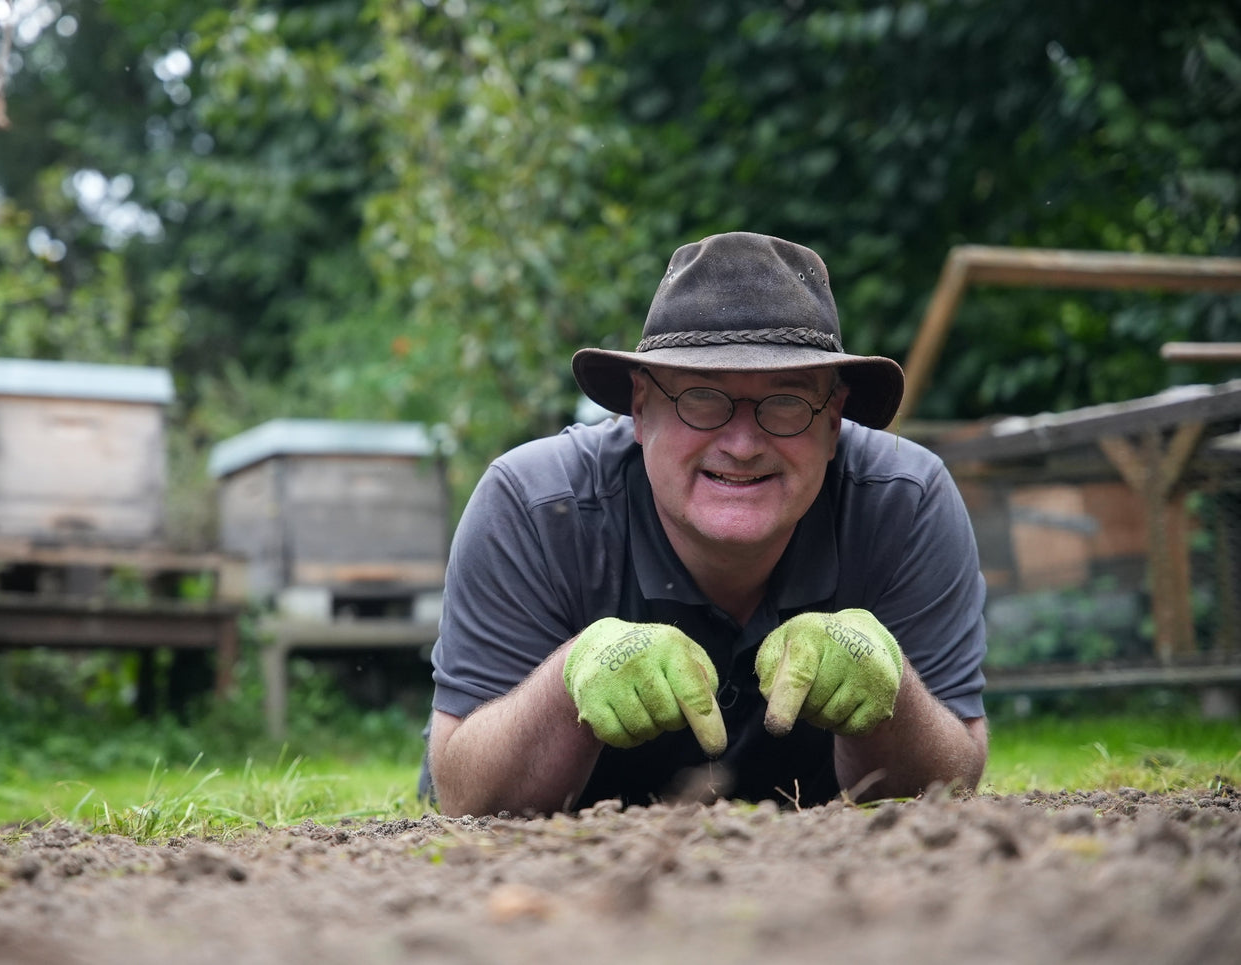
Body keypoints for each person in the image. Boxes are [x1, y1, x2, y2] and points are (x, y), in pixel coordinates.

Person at [421, 231, 988, 817]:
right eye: (702, 397)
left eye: (787, 401)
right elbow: (466, 792)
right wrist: (568, 681)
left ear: (834, 420)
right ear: (641, 409)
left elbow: (957, 774)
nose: (742, 444)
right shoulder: (534, 506)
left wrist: (892, 689)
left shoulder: (906, 501)